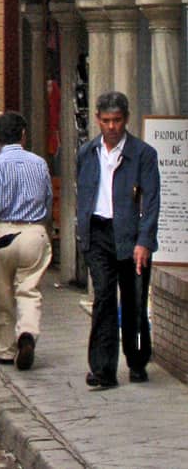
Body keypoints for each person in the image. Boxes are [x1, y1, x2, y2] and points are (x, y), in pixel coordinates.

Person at [76, 89, 160, 389]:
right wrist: (83, 233)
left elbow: (151, 201)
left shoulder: (143, 155)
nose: (112, 127)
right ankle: (102, 369)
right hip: (98, 232)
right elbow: (83, 192)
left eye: (118, 121)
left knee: (135, 302)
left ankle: (137, 360)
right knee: (104, 299)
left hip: (131, 234)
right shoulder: (88, 153)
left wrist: (144, 241)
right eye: (107, 121)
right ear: (98, 120)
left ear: (126, 120)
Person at [0, 110, 53, 370]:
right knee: (29, 289)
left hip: (2, 233)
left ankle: (5, 350)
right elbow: (47, 200)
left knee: (3, 292)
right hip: (33, 232)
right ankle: (27, 333)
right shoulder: (39, 164)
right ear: (23, 135)